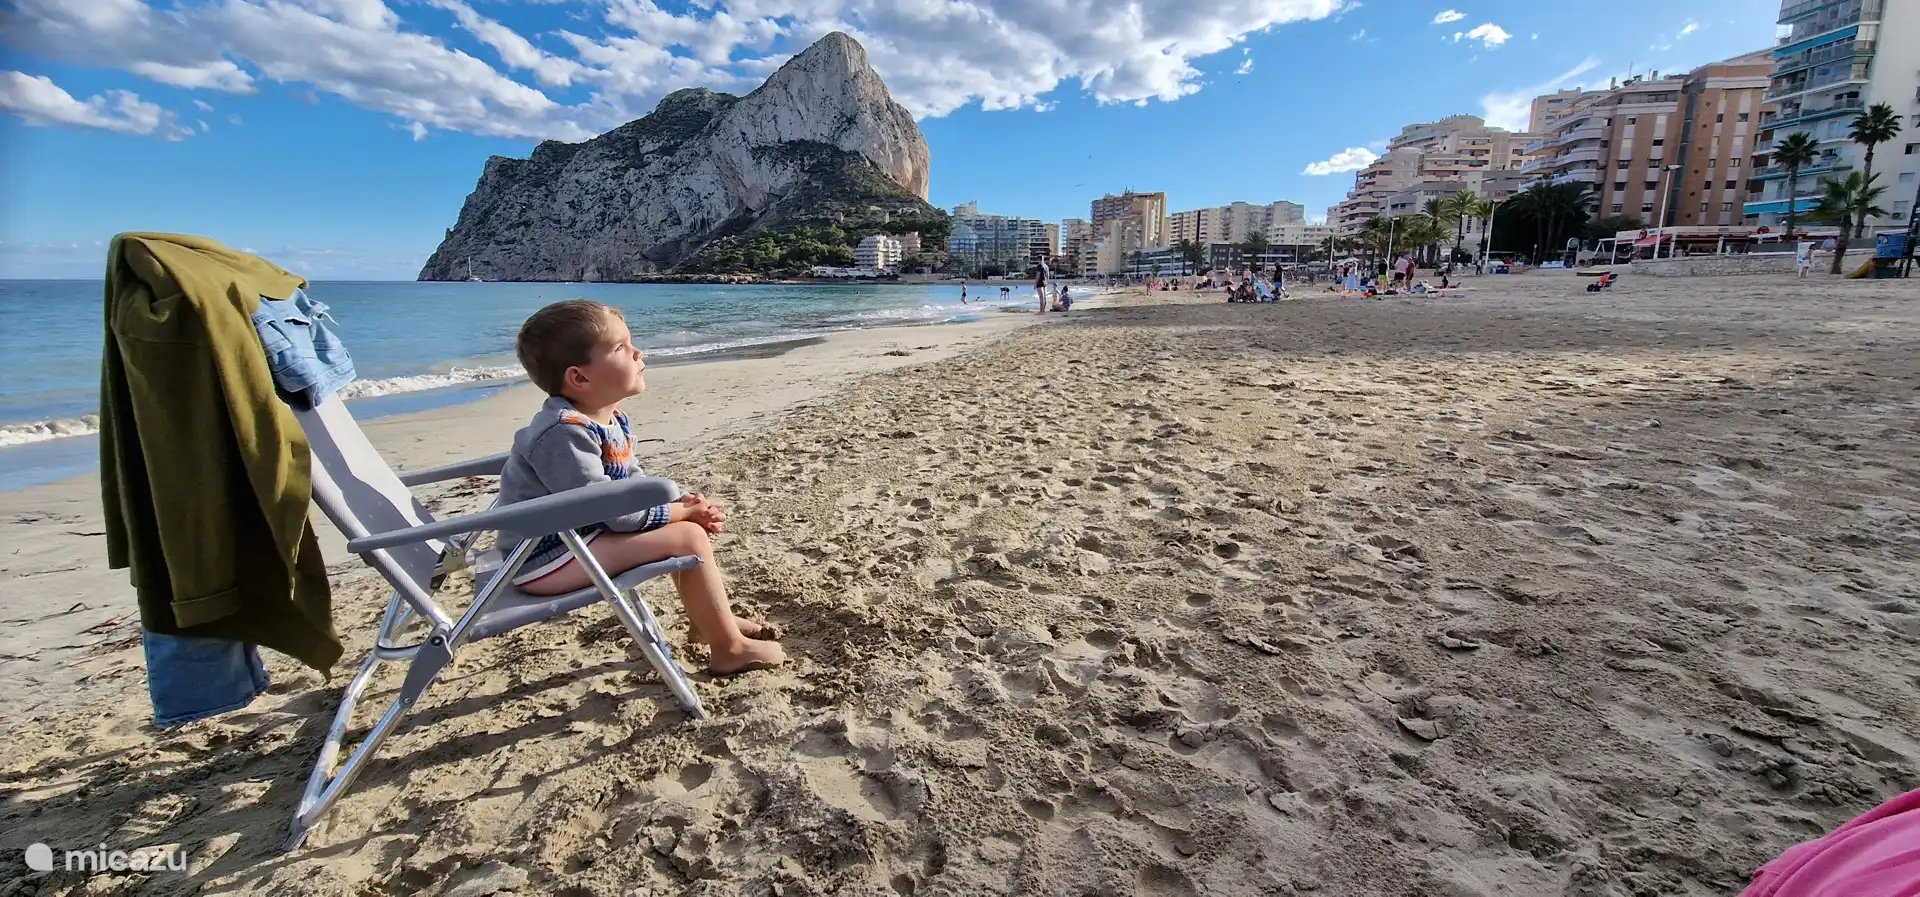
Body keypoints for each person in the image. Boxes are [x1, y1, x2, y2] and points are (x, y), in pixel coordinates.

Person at [496, 300, 784, 675]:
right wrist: (681, 513)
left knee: (687, 528)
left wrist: (679, 502)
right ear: (580, 378)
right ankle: (728, 649)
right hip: (542, 559)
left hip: (577, 539)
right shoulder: (563, 434)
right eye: (621, 348)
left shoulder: (608, 416)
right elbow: (614, 513)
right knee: (688, 538)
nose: (638, 352)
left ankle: (708, 623)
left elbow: (629, 481)